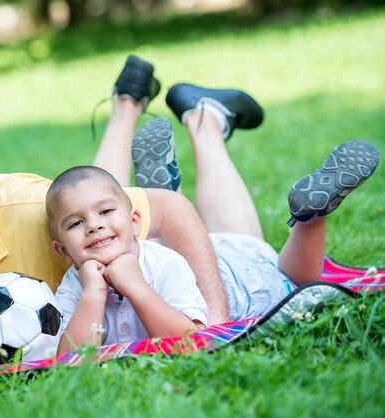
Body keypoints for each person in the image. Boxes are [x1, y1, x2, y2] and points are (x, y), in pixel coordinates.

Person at [0, 57, 231, 364]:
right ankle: (127, 104)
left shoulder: (28, 207)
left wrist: (216, 330)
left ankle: (204, 119)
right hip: (101, 263)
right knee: (93, 205)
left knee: (90, 205)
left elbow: (172, 209)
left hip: (142, 256)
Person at [94, 56, 381, 322]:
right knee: (244, 251)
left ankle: (311, 219)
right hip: (239, 274)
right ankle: (196, 121)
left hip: (194, 277)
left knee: (84, 204)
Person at [45, 166, 208, 354]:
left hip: (234, 276)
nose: (93, 225)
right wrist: (93, 293)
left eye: (105, 211)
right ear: (63, 251)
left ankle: (167, 188)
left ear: (134, 223)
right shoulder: (72, 286)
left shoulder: (166, 264)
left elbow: (193, 345)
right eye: (75, 223)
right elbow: (67, 361)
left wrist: (137, 287)